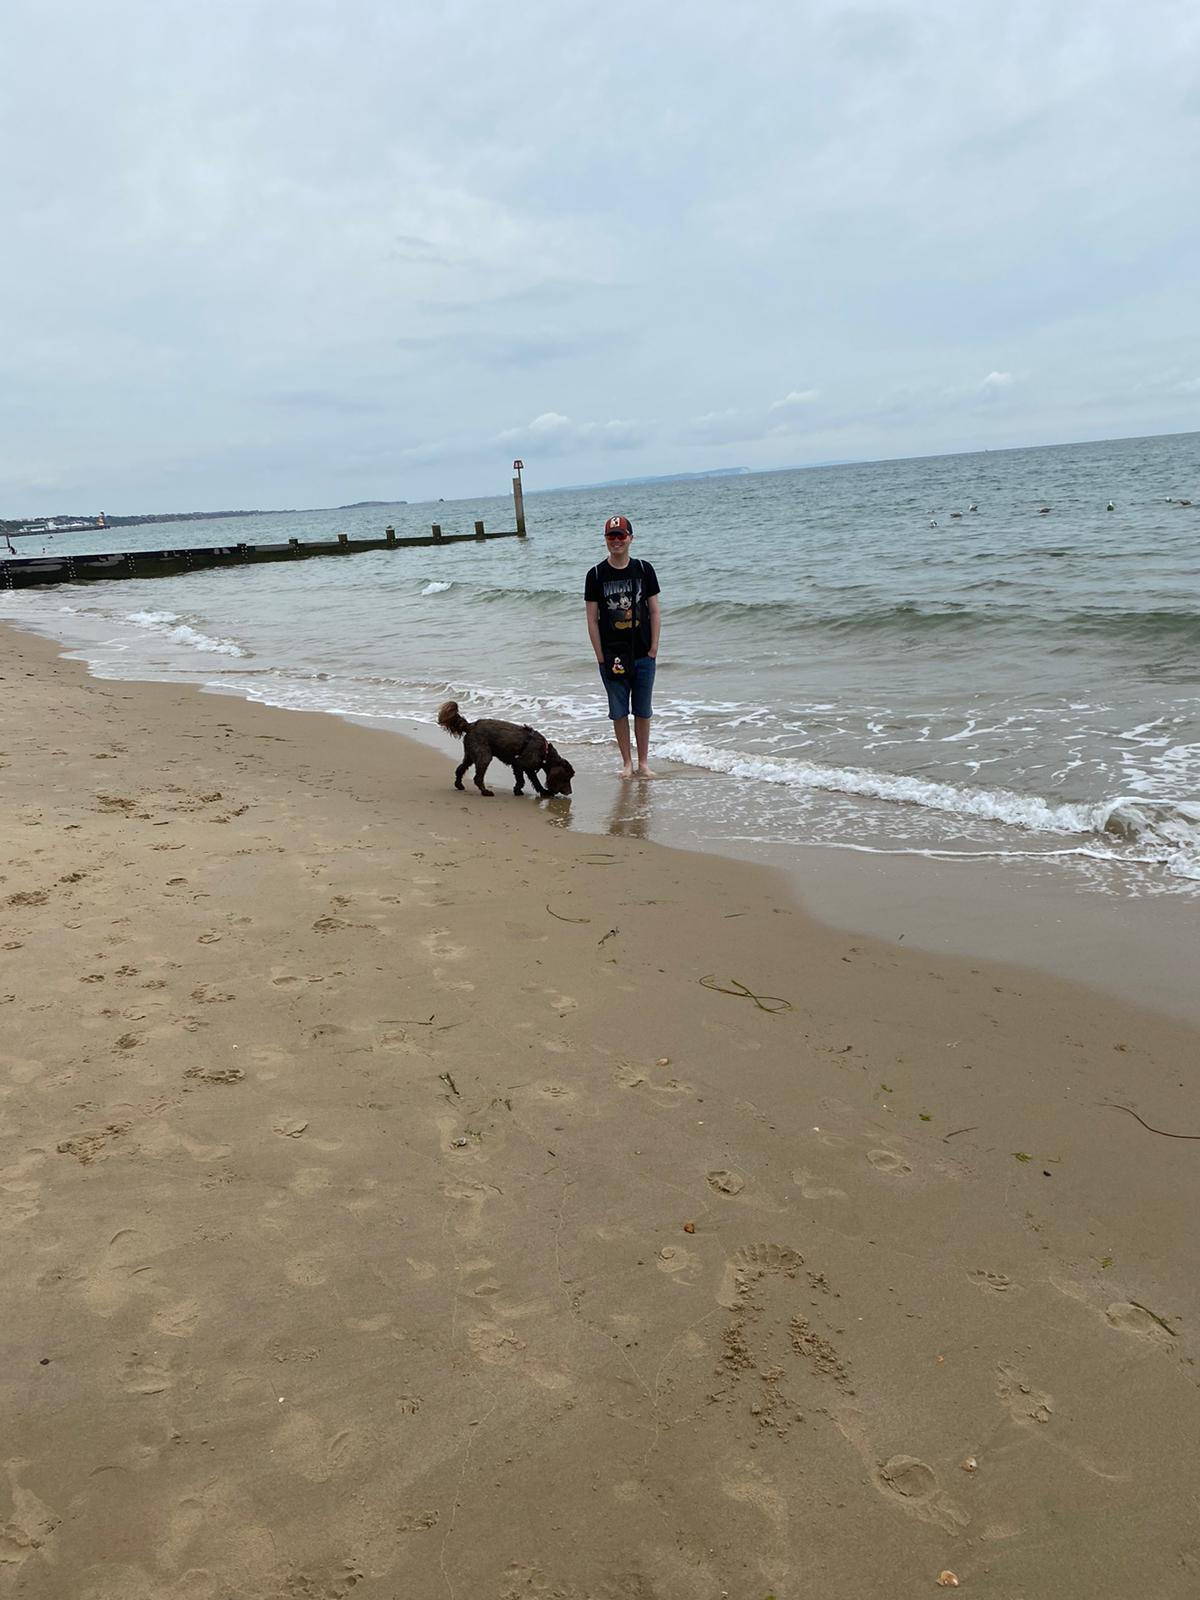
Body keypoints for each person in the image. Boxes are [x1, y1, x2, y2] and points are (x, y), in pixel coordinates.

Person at [585, 513, 661, 778]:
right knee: (618, 712)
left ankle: (643, 763)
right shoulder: (596, 574)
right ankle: (627, 763)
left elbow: (654, 611)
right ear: (605, 539)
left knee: (643, 711)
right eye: (611, 536)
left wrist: (653, 649)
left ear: (631, 538)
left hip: (643, 653)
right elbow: (592, 619)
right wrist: (600, 656)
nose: (616, 540)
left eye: (621, 535)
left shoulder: (644, 569)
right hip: (612, 655)